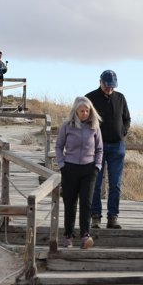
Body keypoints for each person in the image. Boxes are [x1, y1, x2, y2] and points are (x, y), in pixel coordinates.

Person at [56, 96, 103, 249]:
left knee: (86, 203)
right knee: (70, 203)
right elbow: (58, 147)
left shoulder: (94, 127)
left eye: (87, 111)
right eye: (81, 111)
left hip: (89, 169)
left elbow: (99, 149)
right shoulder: (66, 126)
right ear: (75, 111)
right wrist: (62, 164)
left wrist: (97, 166)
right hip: (69, 168)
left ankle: (85, 235)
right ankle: (68, 235)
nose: (84, 114)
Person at [86, 69, 131, 230]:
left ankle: (113, 217)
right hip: (96, 147)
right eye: (107, 86)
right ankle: (95, 217)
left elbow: (127, 119)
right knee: (96, 184)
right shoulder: (89, 98)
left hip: (117, 146)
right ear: (100, 82)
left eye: (112, 87)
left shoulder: (120, 98)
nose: (110, 89)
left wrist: (122, 132)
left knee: (115, 184)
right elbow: (83, 119)